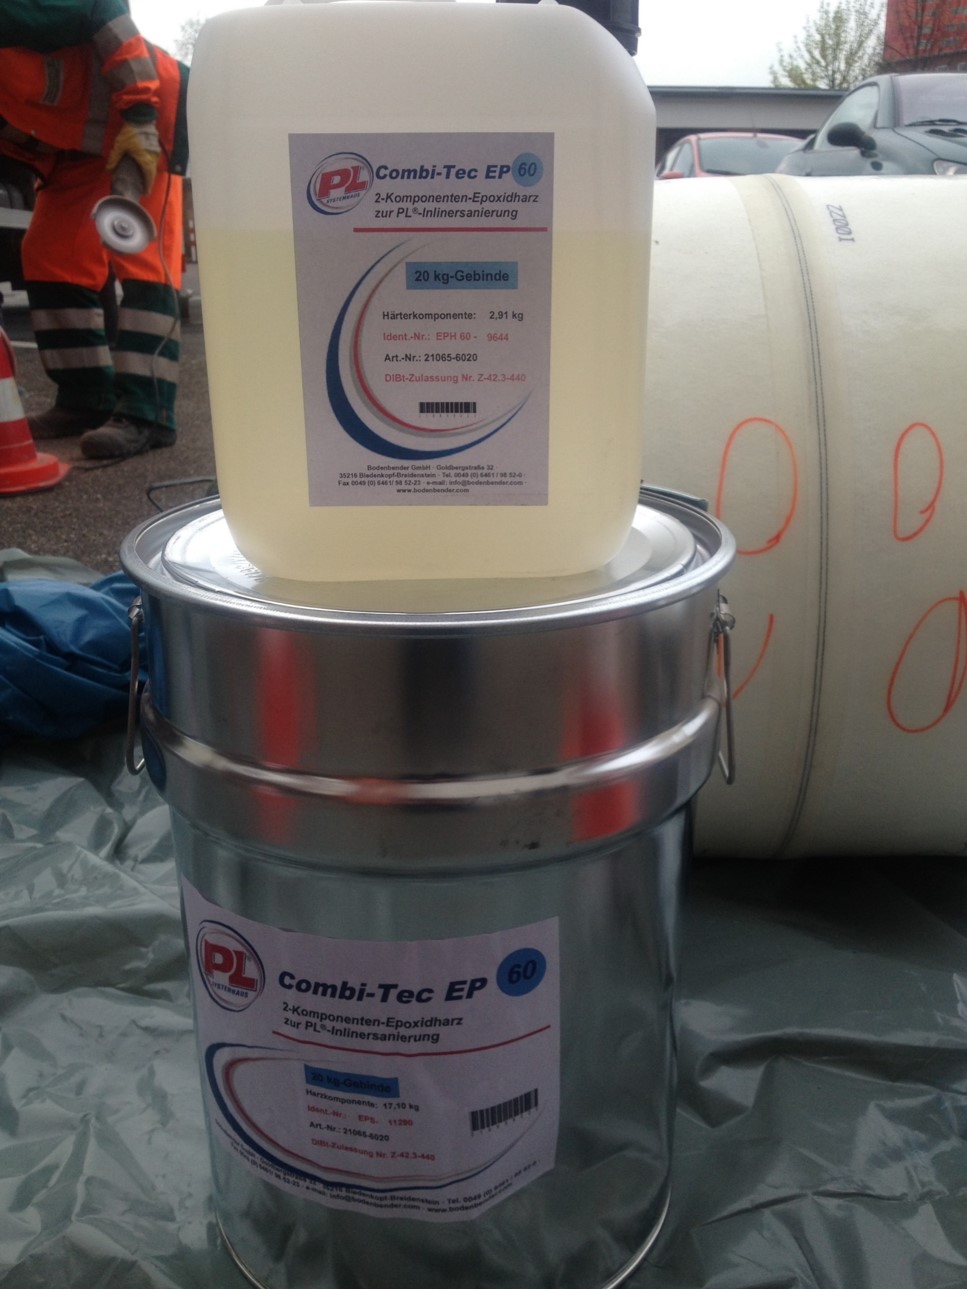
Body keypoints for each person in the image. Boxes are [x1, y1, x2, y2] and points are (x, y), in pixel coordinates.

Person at [0, 1, 189, 459]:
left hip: (145, 121)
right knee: (50, 256)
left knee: (142, 255)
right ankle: (86, 398)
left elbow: (105, 7)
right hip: (74, 151)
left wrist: (140, 118)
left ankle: (148, 413)